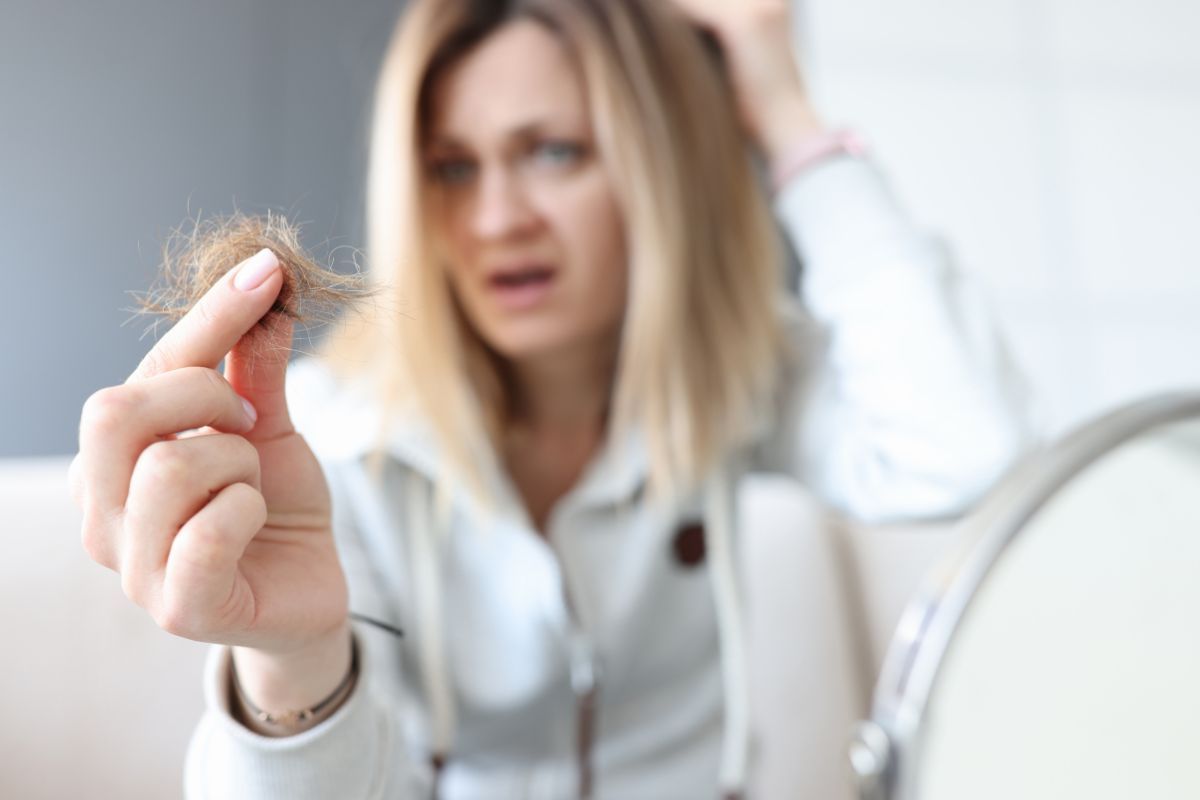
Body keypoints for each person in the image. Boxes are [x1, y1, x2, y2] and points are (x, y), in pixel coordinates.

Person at [71, 0, 1033, 797]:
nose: (498, 220)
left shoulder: (739, 377)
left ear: (659, 167)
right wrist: (292, 660)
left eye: (555, 153)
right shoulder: (325, 439)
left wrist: (784, 110)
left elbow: (967, 445)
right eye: (453, 167)